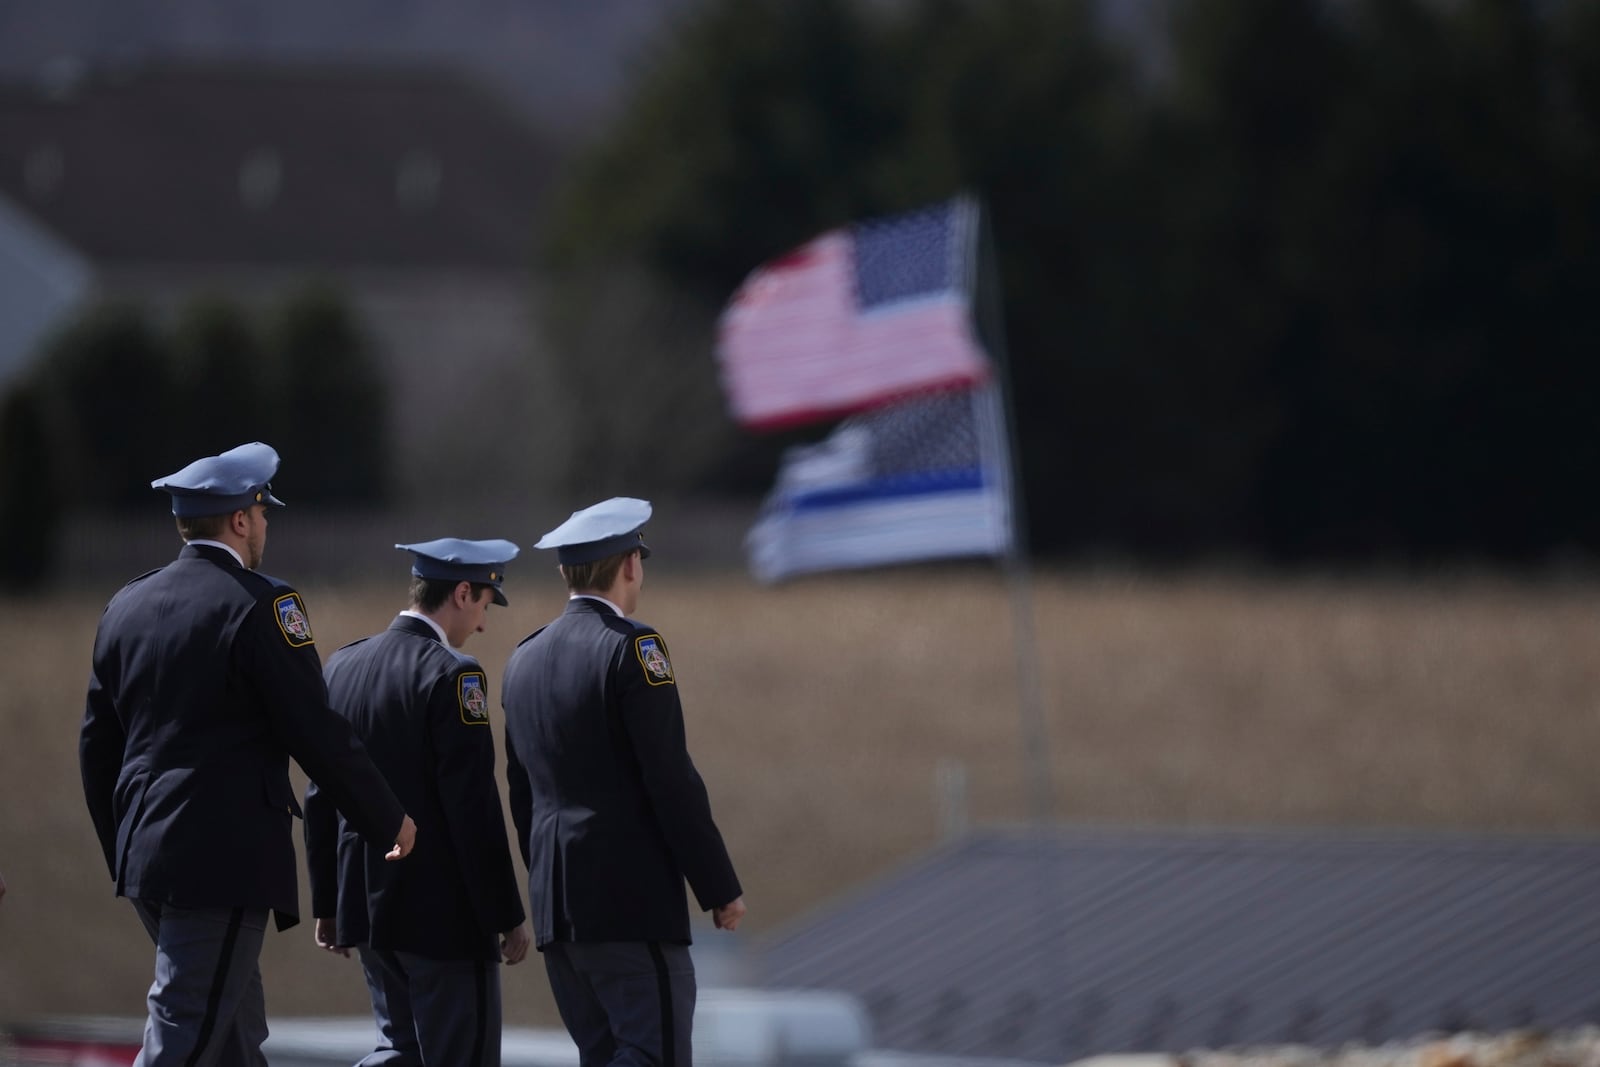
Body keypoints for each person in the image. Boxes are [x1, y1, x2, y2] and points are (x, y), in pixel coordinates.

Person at [79, 441, 418, 1067]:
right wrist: (386, 818)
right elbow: (315, 731)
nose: (265, 526)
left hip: (147, 856)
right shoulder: (263, 605)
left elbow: (97, 748)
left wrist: (126, 848)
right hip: (219, 858)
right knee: (186, 1033)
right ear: (240, 518)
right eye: (263, 513)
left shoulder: (125, 605)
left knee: (232, 1035)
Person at [501, 497, 746, 1067]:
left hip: (559, 911)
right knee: (653, 1055)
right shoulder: (632, 647)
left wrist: (545, 884)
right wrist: (717, 884)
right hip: (628, 904)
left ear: (566, 571)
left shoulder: (523, 659)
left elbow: (520, 793)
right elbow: (669, 777)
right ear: (630, 564)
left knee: (605, 1054)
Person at [305, 538, 532, 1067]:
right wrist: (506, 912)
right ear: (460, 593)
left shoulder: (342, 666)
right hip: (443, 917)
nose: (480, 625)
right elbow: (472, 806)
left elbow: (322, 793)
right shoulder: (454, 674)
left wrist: (329, 900)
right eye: (481, 605)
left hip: (365, 907)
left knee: (399, 1052)